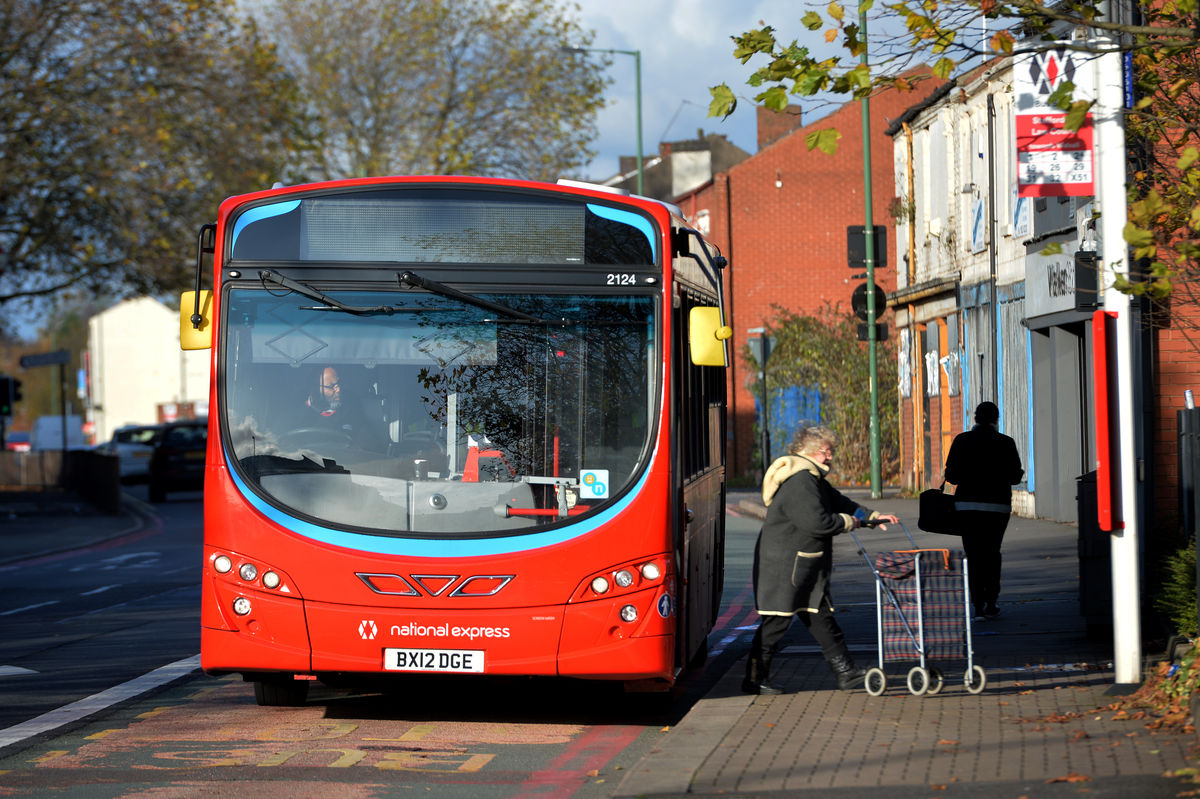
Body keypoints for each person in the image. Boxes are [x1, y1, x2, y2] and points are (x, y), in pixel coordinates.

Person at [743, 425, 899, 695]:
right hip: (786, 567)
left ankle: (846, 673)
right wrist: (852, 522)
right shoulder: (801, 482)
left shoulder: (812, 479)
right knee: (775, 623)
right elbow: (817, 523)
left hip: (803, 566)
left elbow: (840, 502)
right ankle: (755, 679)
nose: (830, 457)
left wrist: (871, 517)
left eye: (830, 451)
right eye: (826, 452)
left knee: (821, 617)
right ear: (809, 452)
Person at [943, 401, 1024, 621]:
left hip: (967, 507)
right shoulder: (1006, 443)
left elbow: (951, 475)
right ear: (996, 419)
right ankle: (991, 601)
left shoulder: (962, 441)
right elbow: (1015, 477)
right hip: (997, 508)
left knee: (973, 554)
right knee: (992, 552)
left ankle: (977, 605)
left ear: (975, 418)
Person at [296, 365, 384, 452]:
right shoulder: (295, 406)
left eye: (338, 384)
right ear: (314, 389)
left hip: (343, 463)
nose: (338, 390)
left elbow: (369, 443)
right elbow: (285, 443)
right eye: (332, 386)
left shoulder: (349, 404)